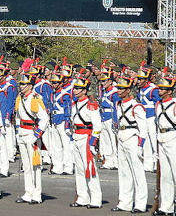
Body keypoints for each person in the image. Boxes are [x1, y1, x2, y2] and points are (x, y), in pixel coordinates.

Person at [111, 75, 148, 213]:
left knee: (138, 173)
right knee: (124, 172)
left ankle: (140, 203)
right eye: (118, 88)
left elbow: (143, 129)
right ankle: (125, 202)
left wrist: (140, 146)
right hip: (122, 138)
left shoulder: (136, 106)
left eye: (122, 88)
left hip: (133, 138)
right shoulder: (119, 104)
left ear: (128, 90)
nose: (119, 91)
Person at [14, 71, 49, 204]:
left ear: (30, 86)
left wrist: (36, 136)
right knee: (26, 166)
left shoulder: (35, 98)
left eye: (24, 84)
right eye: (21, 84)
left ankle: (36, 194)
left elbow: (44, 119)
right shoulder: (20, 98)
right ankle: (28, 192)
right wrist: (18, 132)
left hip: (31, 134)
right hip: (22, 133)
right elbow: (17, 117)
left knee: (35, 166)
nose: (21, 86)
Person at [69, 77, 103, 209]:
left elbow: (97, 126)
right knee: (79, 169)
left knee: (90, 168)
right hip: (76, 136)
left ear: (84, 90)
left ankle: (96, 198)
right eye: (75, 88)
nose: (75, 90)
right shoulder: (74, 104)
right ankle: (82, 197)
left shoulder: (91, 104)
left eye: (78, 88)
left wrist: (93, 143)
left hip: (86, 138)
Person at [153, 73, 176, 216]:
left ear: (170, 90)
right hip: (162, 138)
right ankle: (166, 207)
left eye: (163, 88)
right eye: (159, 88)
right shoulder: (158, 104)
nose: (159, 90)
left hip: (173, 137)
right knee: (165, 175)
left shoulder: (174, 104)